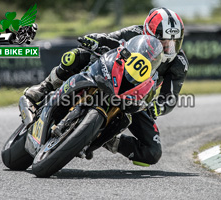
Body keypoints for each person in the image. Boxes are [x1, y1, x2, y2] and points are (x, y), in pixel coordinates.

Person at [24, 7, 189, 166]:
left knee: (152, 152)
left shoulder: (178, 63)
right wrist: (95, 41)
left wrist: (157, 108)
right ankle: (44, 87)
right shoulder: (134, 33)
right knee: (75, 56)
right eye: (164, 41)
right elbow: (108, 39)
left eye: (175, 41)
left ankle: (108, 139)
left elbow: (170, 97)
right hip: (110, 74)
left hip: (136, 98)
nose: (169, 47)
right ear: (148, 33)